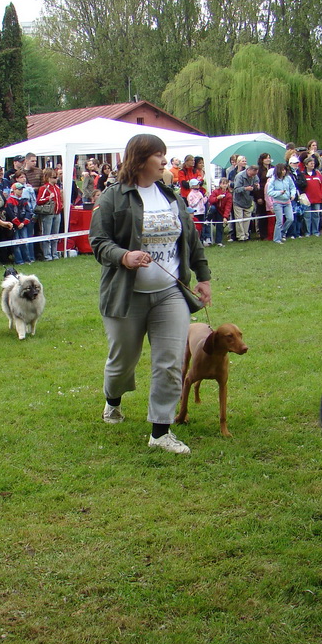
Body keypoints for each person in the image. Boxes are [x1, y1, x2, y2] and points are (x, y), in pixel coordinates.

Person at [89, 133, 212, 455]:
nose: (164, 162)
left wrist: (204, 277)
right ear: (140, 159)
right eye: (159, 155)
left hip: (170, 294)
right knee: (122, 362)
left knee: (170, 362)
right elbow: (98, 243)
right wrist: (124, 256)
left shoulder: (171, 196)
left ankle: (160, 432)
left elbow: (191, 240)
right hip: (126, 296)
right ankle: (112, 400)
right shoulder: (113, 197)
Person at [36, 167, 63, 261]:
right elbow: (39, 201)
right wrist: (48, 198)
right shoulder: (44, 188)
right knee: (47, 235)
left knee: (55, 235)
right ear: (48, 178)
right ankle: (47, 255)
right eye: (54, 177)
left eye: (56, 177)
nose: (56, 179)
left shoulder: (57, 188)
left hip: (57, 213)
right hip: (48, 214)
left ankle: (54, 254)